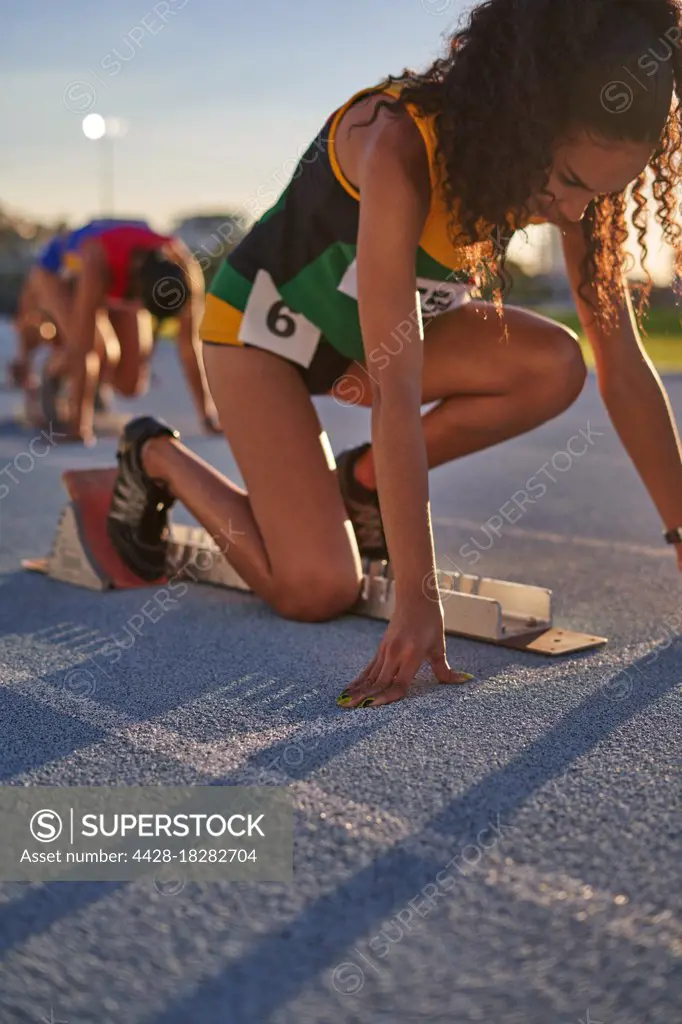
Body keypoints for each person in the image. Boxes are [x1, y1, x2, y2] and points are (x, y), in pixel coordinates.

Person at [108, 0, 682, 708]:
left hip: (364, 355)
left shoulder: (574, 191)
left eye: (598, 194)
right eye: (566, 181)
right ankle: (155, 457)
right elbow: (397, 386)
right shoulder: (398, 144)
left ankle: (364, 483)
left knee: (558, 364)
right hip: (262, 336)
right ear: (523, 118)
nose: (571, 210)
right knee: (316, 589)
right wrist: (417, 597)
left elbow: (620, 364)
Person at [13, 218, 220, 443]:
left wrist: (208, 416)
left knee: (130, 383)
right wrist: (79, 428)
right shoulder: (95, 258)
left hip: (123, 273)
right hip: (59, 275)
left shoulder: (186, 268)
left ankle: (92, 386)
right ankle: (54, 371)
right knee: (100, 350)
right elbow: (84, 348)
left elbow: (190, 348)